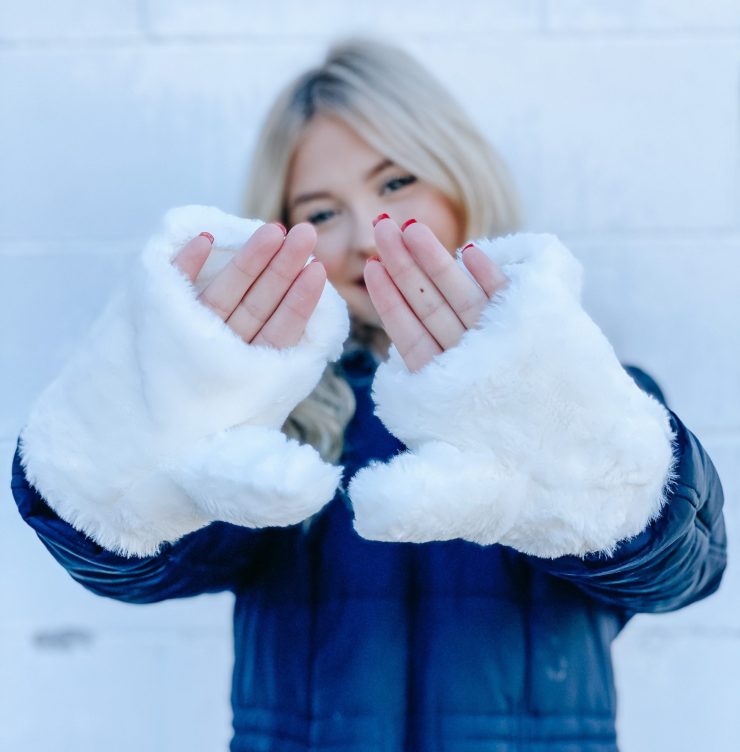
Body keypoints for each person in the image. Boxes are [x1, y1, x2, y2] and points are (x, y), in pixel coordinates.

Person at [10, 36, 727, 752]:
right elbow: (137, 565)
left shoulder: (588, 393)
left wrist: (585, 469)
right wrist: (119, 451)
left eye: (394, 184)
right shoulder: (275, 429)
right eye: (321, 213)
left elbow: (685, 572)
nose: (365, 238)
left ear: (459, 175)